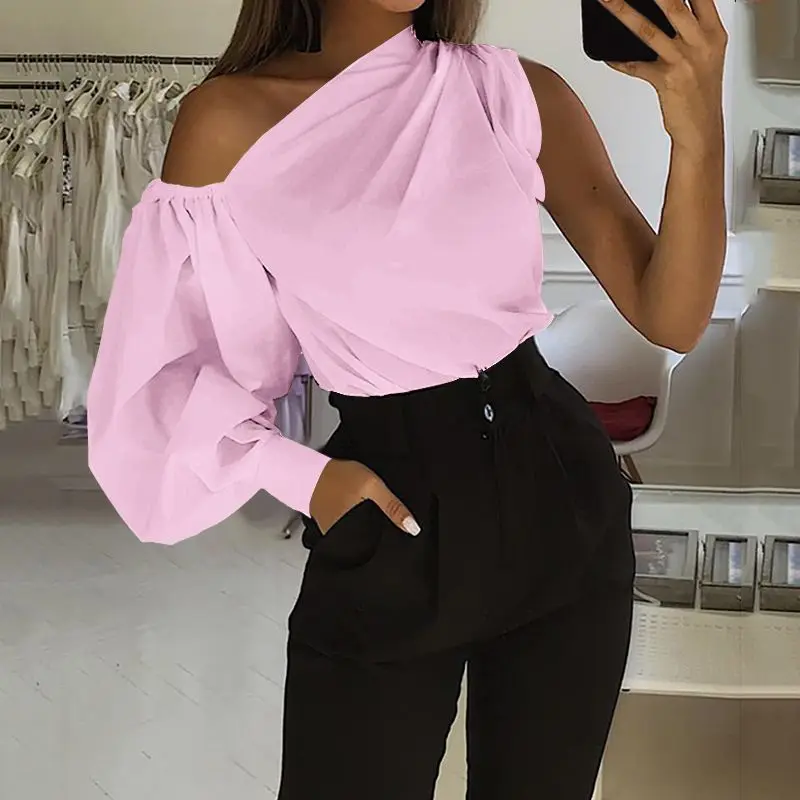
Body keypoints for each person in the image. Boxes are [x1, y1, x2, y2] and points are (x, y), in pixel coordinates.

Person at [86, 0, 730, 797]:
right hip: (389, 514)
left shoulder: (514, 94)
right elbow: (162, 373)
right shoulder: (229, 122)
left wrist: (699, 127)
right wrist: (304, 478)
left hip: (563, 506)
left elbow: (673, 316)